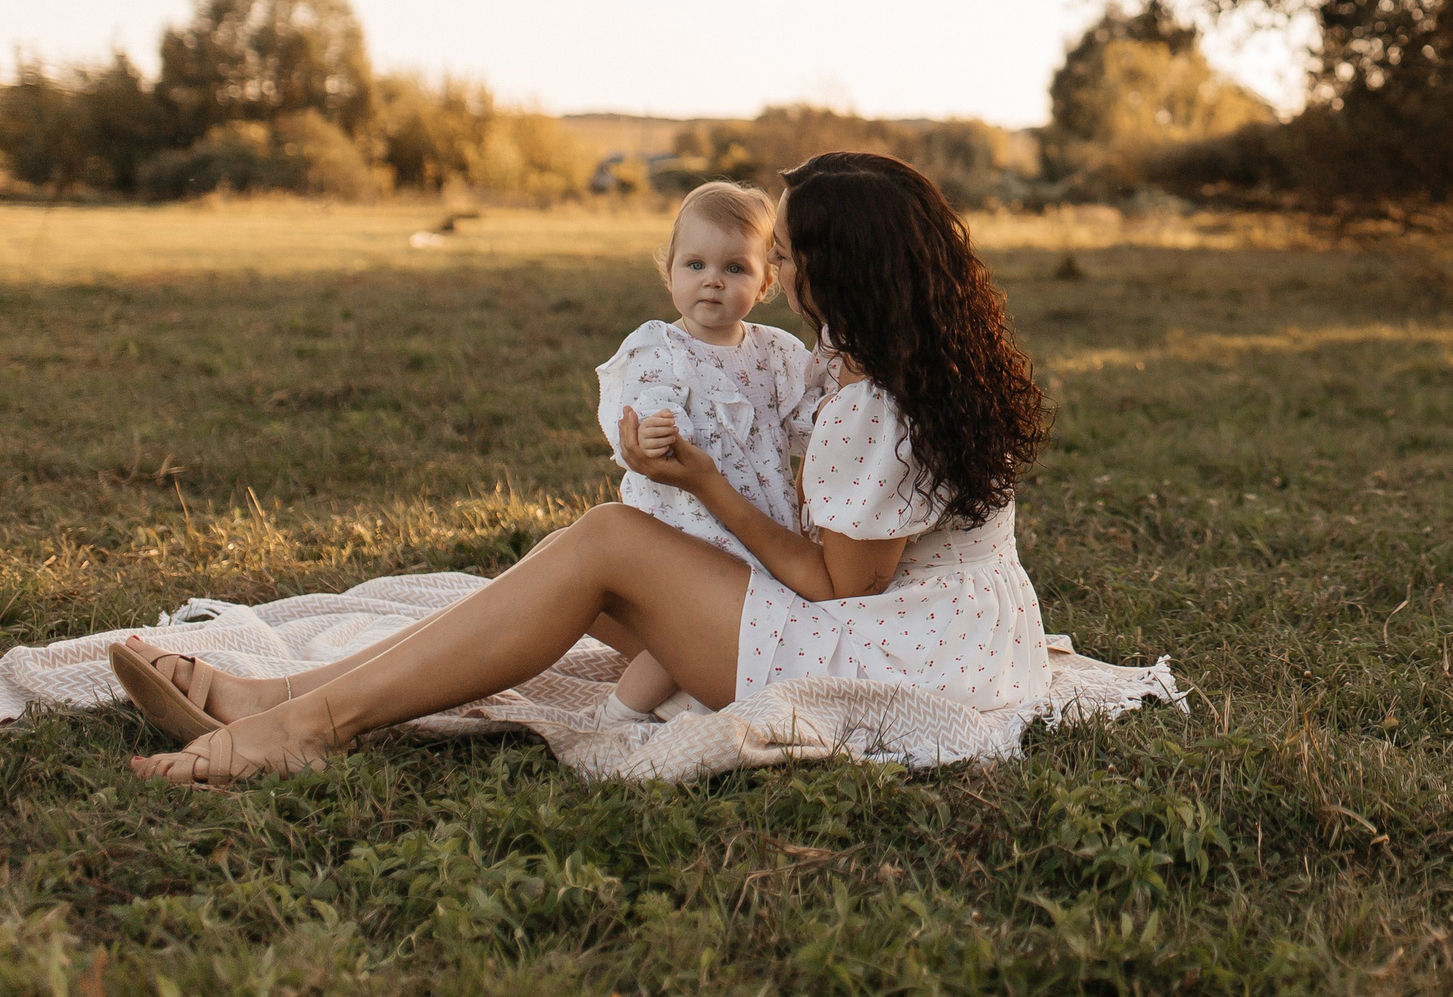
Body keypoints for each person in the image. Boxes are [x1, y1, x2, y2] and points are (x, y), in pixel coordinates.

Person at [112, 152, 1054, 786]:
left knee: (607, 542)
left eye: (792, 255)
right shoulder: (914, 353)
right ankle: (274, 697)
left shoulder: (877, 401)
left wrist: (706, 486)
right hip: (944, 627)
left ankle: (305, 730)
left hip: (901, 655)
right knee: (584, 575)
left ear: (840, 269)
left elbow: (833, 582)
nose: (784, 270)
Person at [591, 180, 818, 725]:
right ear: (669, 271)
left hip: (755, 516)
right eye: (694, 265)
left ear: (765, 281)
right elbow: (646, 410)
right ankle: (620, 713)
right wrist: (651, 432)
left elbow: (813, 421)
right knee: (687, 623)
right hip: (683, 521)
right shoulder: (659, 348)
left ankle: (694, 692)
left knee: (745, 621)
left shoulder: (777, 353)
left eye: (735, 268)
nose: (712, 280)